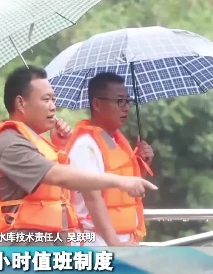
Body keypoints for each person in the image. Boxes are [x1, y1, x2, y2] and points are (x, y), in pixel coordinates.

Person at [0, 65, 157, 246]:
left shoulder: (36, 142)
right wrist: (120, 181)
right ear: (20, 103)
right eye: (46, 99)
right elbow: (57, 176)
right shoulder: (9, 143)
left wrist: (60, 146)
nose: (53, 107)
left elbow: (58, 188)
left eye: (53, 99)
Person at [66, 72, 155, 246]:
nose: (126, 107)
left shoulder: (117, 143)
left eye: (127, 101)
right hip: (96, 244)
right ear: (97, 104)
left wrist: (142, 166)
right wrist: (115, 245)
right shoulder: (86, 145)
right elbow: (93, 198)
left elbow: (123, 195)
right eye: (119, 101)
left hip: (124, 241)